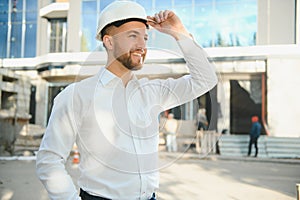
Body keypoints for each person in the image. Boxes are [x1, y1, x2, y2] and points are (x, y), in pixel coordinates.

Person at [36, 1, 218, 199]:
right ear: (109, 41)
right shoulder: (76, 96)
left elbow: (205, 80)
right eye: (133, 36)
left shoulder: (152, 92)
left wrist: (179, 33)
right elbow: (49, 159)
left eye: (145, 38)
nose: (142, 46)